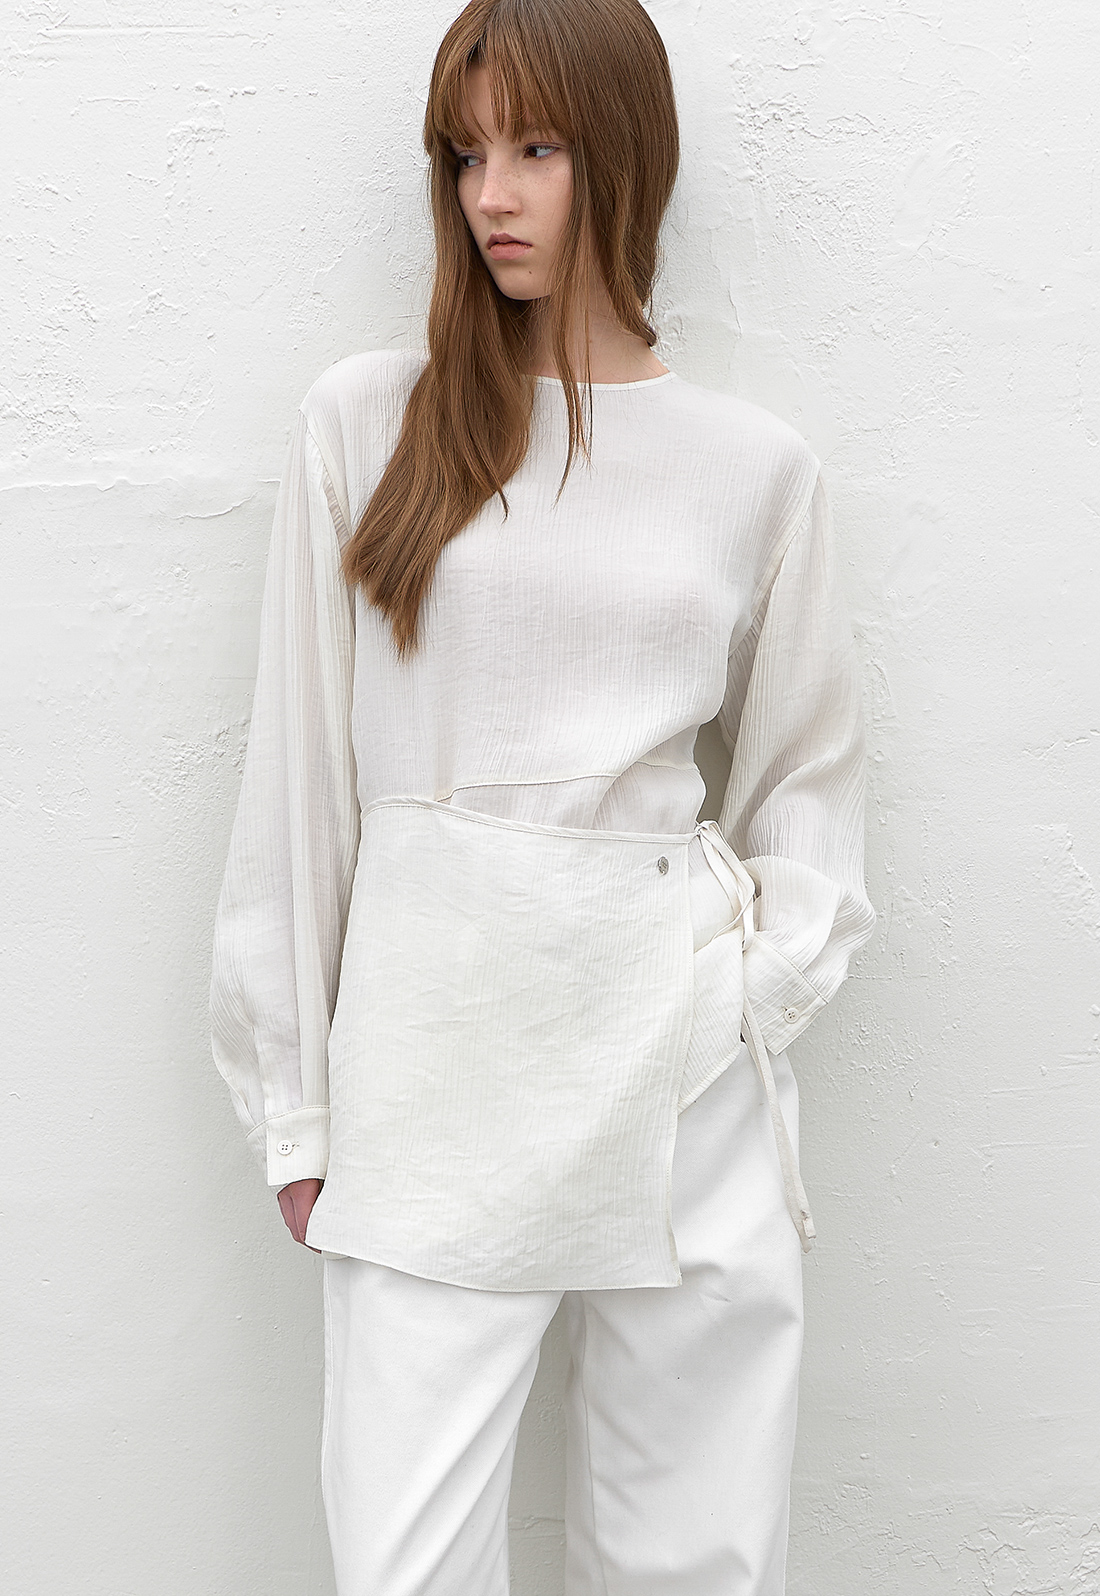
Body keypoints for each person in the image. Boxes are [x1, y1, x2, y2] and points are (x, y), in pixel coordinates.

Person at [209, 0, 876, 1590]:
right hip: (436, 1051)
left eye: (536, 148)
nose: (490, 196)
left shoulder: (754, 467)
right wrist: (295, 1097)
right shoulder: (369, 422)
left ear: (623, 154)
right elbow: (301, 783)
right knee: (409, 1561)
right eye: (463, 155)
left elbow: (807, 779)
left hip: (679, 1054)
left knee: (693, 1559)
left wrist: (748, 989)